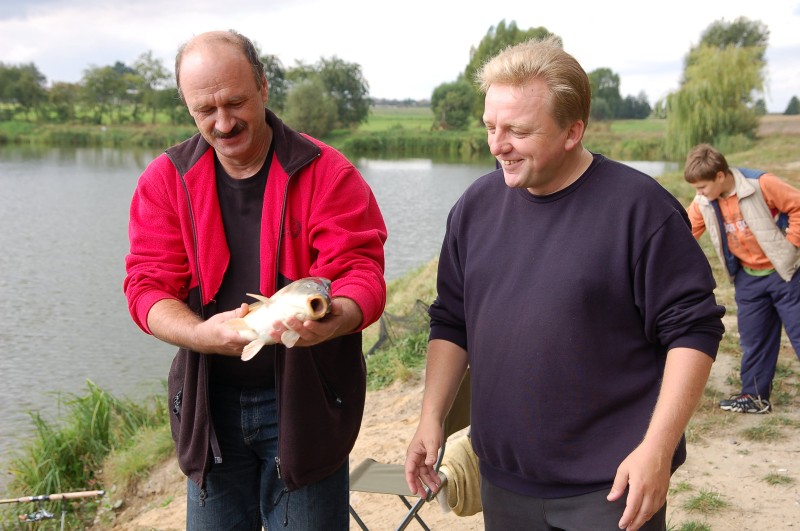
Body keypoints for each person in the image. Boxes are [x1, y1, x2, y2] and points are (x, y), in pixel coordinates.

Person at [403, 37, 725, 531]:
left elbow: (694, 331)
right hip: (504, 483)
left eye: (518, 130)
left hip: (612, 487)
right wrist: (432, 416)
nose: (496, 145)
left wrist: (657, 450)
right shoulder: (474, 207)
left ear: (573, 130)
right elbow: (451, 319)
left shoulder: (641, 211)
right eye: (490, 126)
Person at [124, 30, 387, 530]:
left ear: (264, 86)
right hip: (210, 412)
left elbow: (361, 271)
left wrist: (334, 321)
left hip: (306, 405)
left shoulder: (328, 172)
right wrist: (200, 334)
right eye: (205, 109)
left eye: (236, 102)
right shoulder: (164, 181)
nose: (223, 123)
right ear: (187, 106)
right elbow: (147, 287)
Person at [683, 143, 800, 414]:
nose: (698, 194)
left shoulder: (760, 184)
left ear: (720, 176)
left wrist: (790, 247)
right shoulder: (704, 202)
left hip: (785, 274)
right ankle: (755, 397)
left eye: (702, 187)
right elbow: (684, 234)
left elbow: (797, 206)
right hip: (747, 279)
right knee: (754, 339)